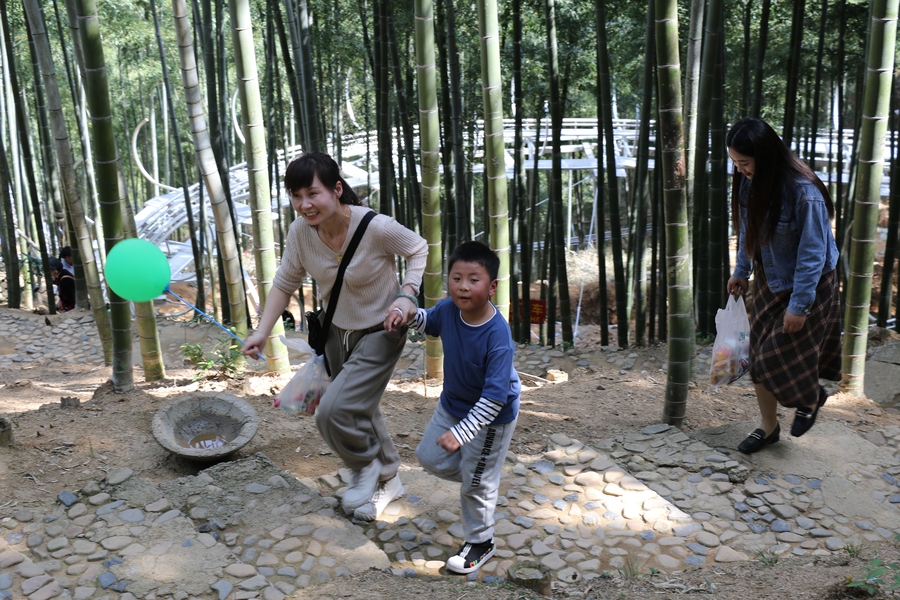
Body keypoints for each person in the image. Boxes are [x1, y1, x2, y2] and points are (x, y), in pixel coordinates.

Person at [241, 152, 427, 518]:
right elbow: (284, 283)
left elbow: (418, 248)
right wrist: (262, 332)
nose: (304, 205)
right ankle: (389, 479)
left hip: (382, 330)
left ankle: (364, 466)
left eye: (313, 193)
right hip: (335, 332)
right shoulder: (300, 232)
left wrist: (407, 294)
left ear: (337, 190)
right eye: (296, 196)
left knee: (332, 411)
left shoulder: (375, 227)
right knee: (360, 407)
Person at [386, 241, 520, 574]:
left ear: (492, 287)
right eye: (456, 278)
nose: (463, 286)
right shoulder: (449, 309)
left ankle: (481, 541)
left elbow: (495, 398)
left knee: (476, 481)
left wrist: (462, 434)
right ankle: (483, 476)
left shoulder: (497, 335)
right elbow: (428, 322)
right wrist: (407, 315)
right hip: (453, 404)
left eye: (473, 279)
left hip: (491, 417)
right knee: (429, 457)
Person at [725, 117, 841, 454]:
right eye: (735, 163)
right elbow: (749, 229)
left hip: (810, 283)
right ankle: (768, 427)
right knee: (756, 358)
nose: (740, 170)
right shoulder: (750, 182)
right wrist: (741, 270)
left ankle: (810, 397)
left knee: (773, 358)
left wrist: (799, 306)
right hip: (770, 278)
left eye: (744, 162)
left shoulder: (804, 193)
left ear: (766, 156)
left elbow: (812, 253)